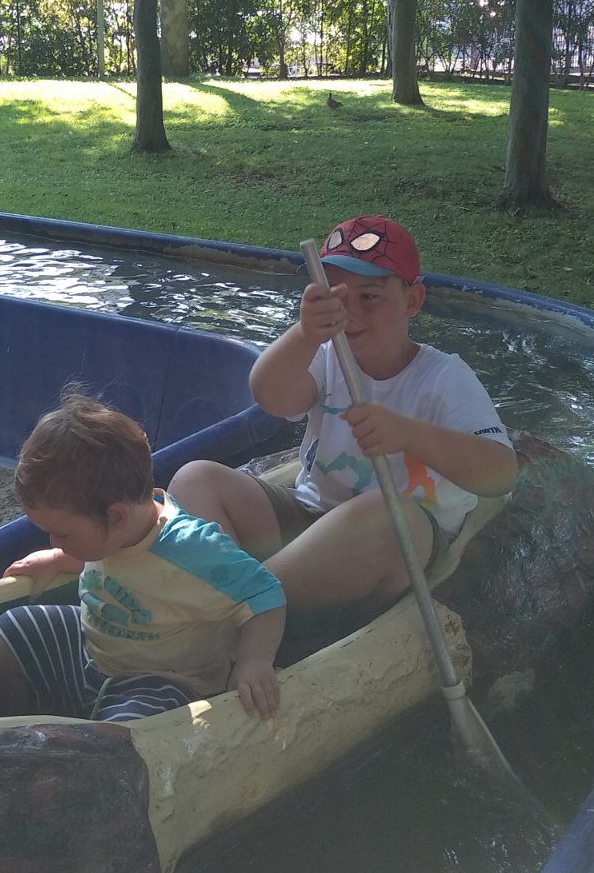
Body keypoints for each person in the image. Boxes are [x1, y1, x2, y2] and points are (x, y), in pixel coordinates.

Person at [169, 215, 518, 617]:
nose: (349, 311)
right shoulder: (326, 355)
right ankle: (240, 604)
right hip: (309, 519)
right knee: (196, 479)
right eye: (335, 296)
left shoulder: (444, 377)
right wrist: (304, 333)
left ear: (412, 301)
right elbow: (271, 397)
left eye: (369, 296)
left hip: (392, 546)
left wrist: (409, 434)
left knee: (390, 516)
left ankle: (234, 613)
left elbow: (500, 474)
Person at [0, 391, 286, 724]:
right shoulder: (119, 528)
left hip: (164, 682)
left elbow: (265, 593)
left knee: (122, 735)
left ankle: (85, 737)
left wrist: (254, 660)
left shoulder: (193, 550)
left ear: (116, 517)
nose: (54, 541)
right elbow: (113, 560)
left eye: (62, 535)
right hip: (94, 652)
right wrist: (59, 557)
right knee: (6, 635)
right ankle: (9, 736)